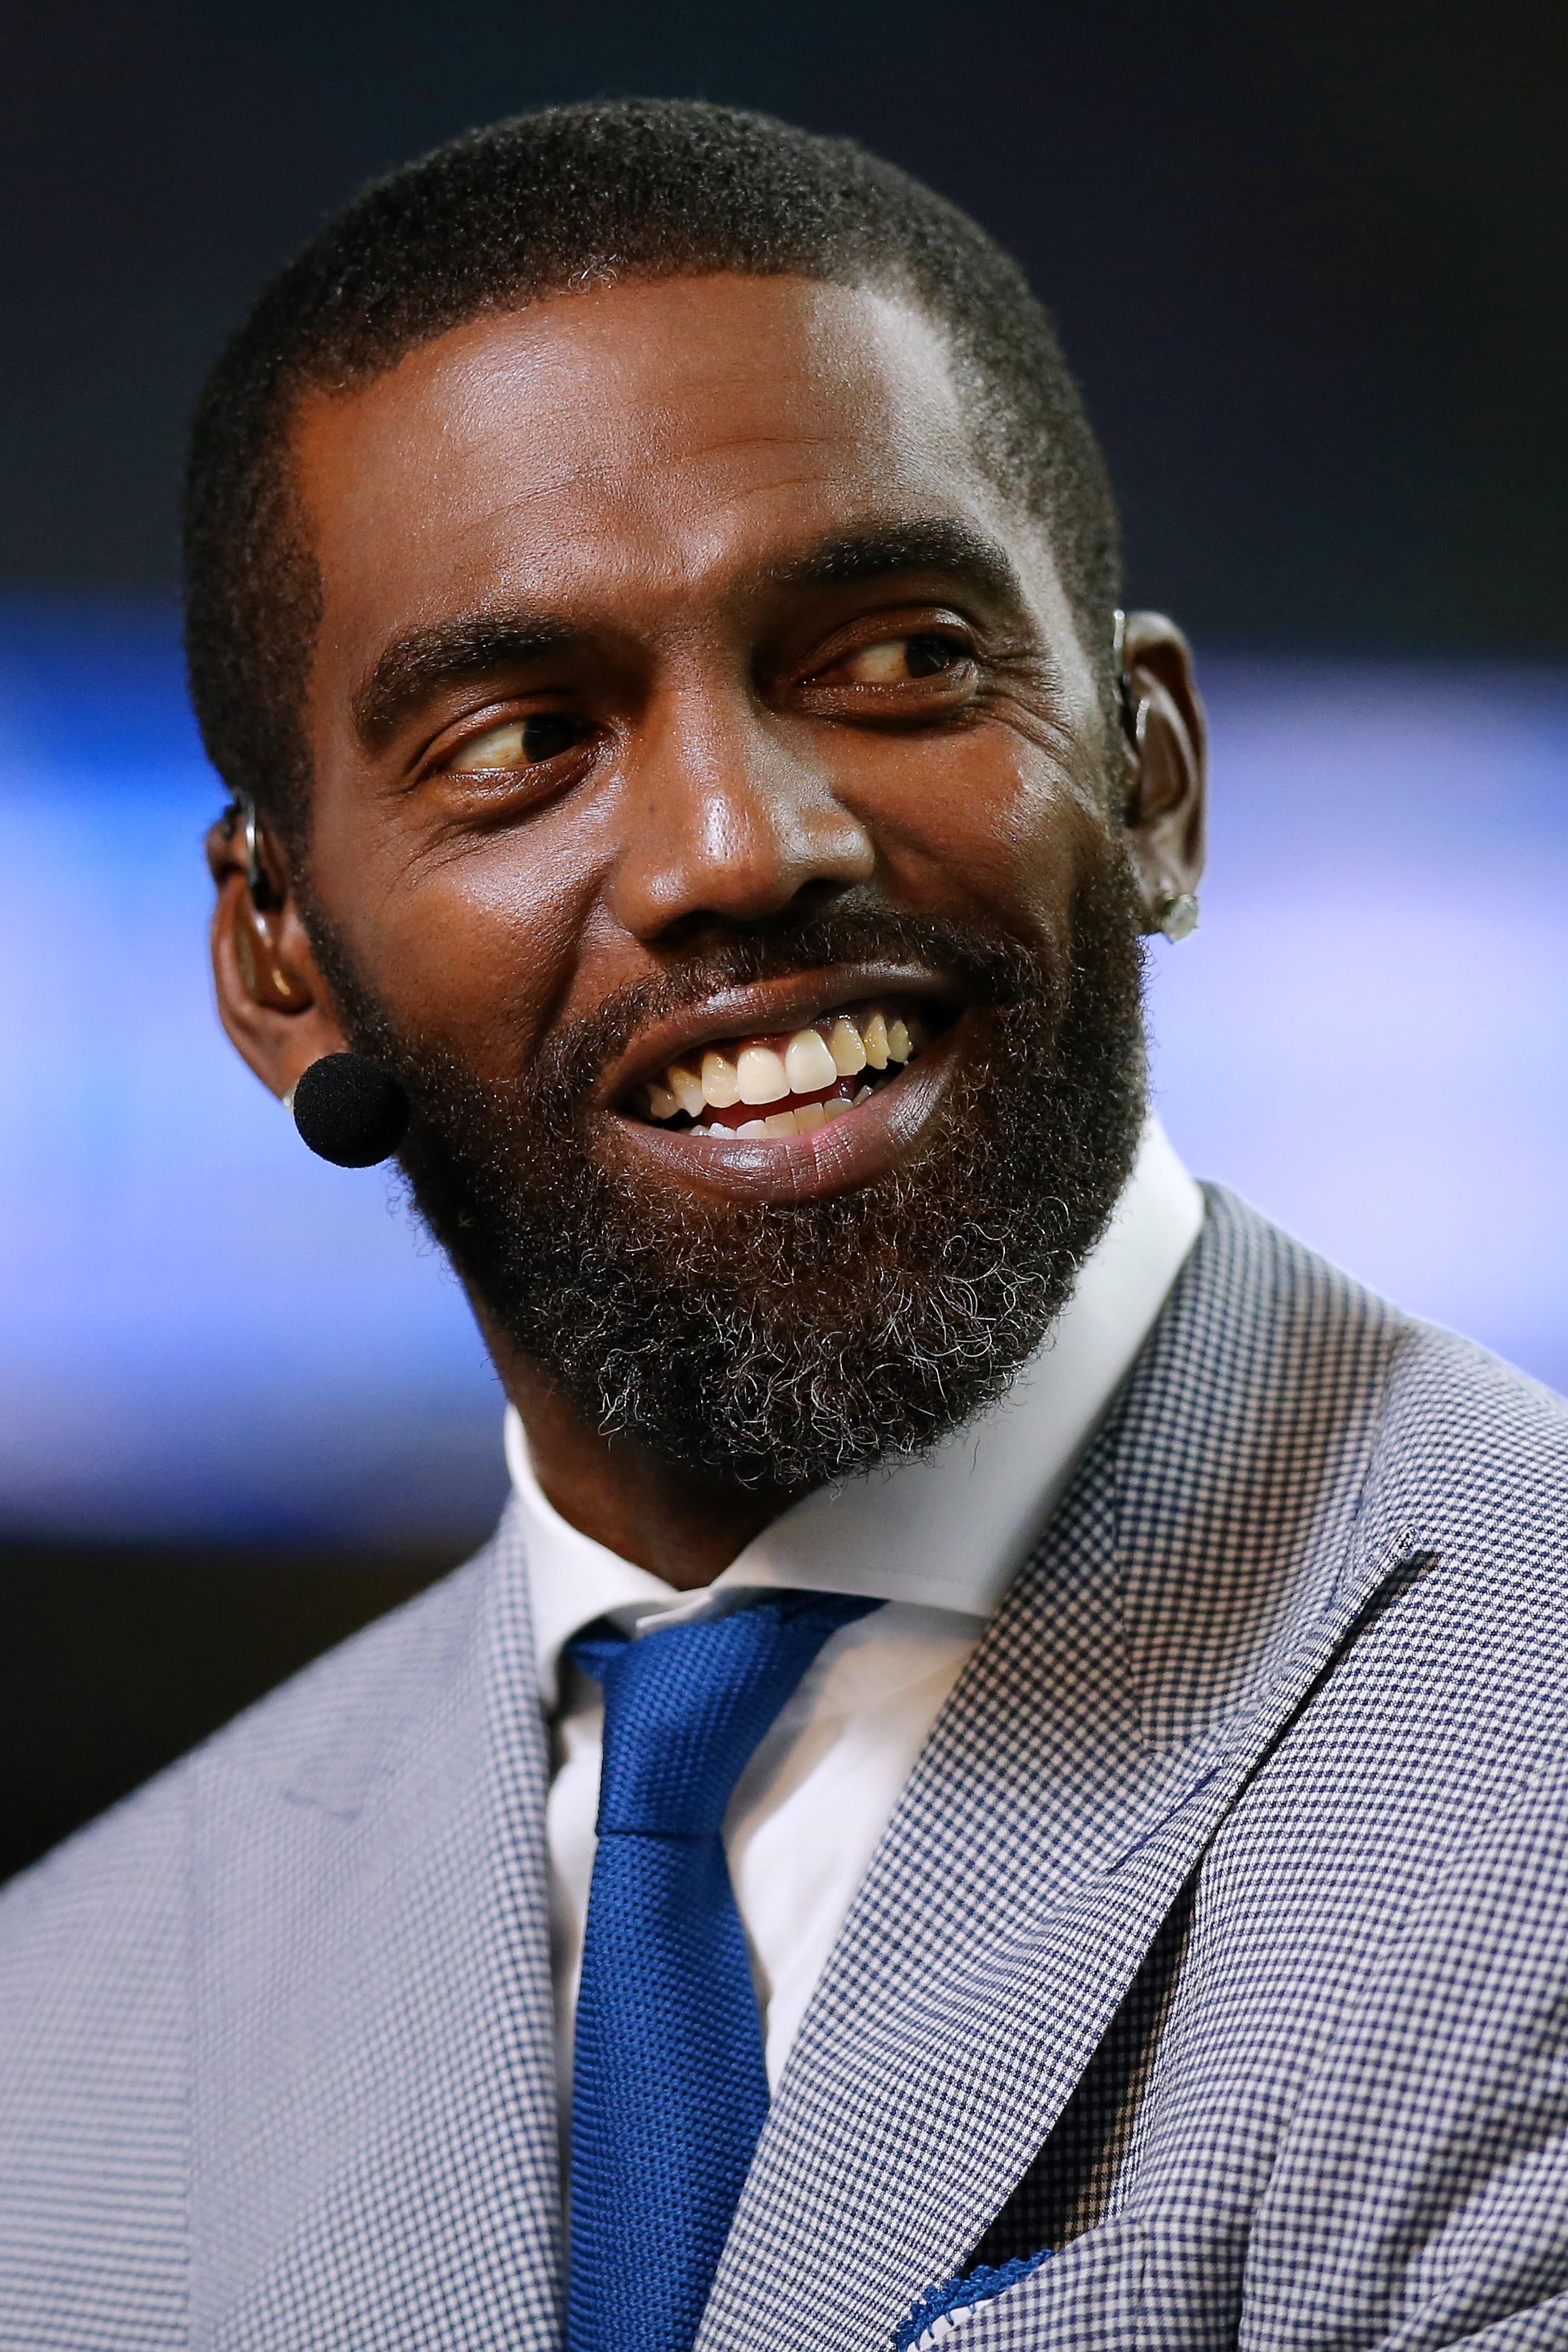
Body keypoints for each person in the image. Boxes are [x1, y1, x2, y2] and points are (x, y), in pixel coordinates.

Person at [3, 99, 1567, 2352]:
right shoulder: (63, 2051)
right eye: (522, 735)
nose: (737, 844)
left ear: (1150, 777)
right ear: (283, 961)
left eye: (902, 657)